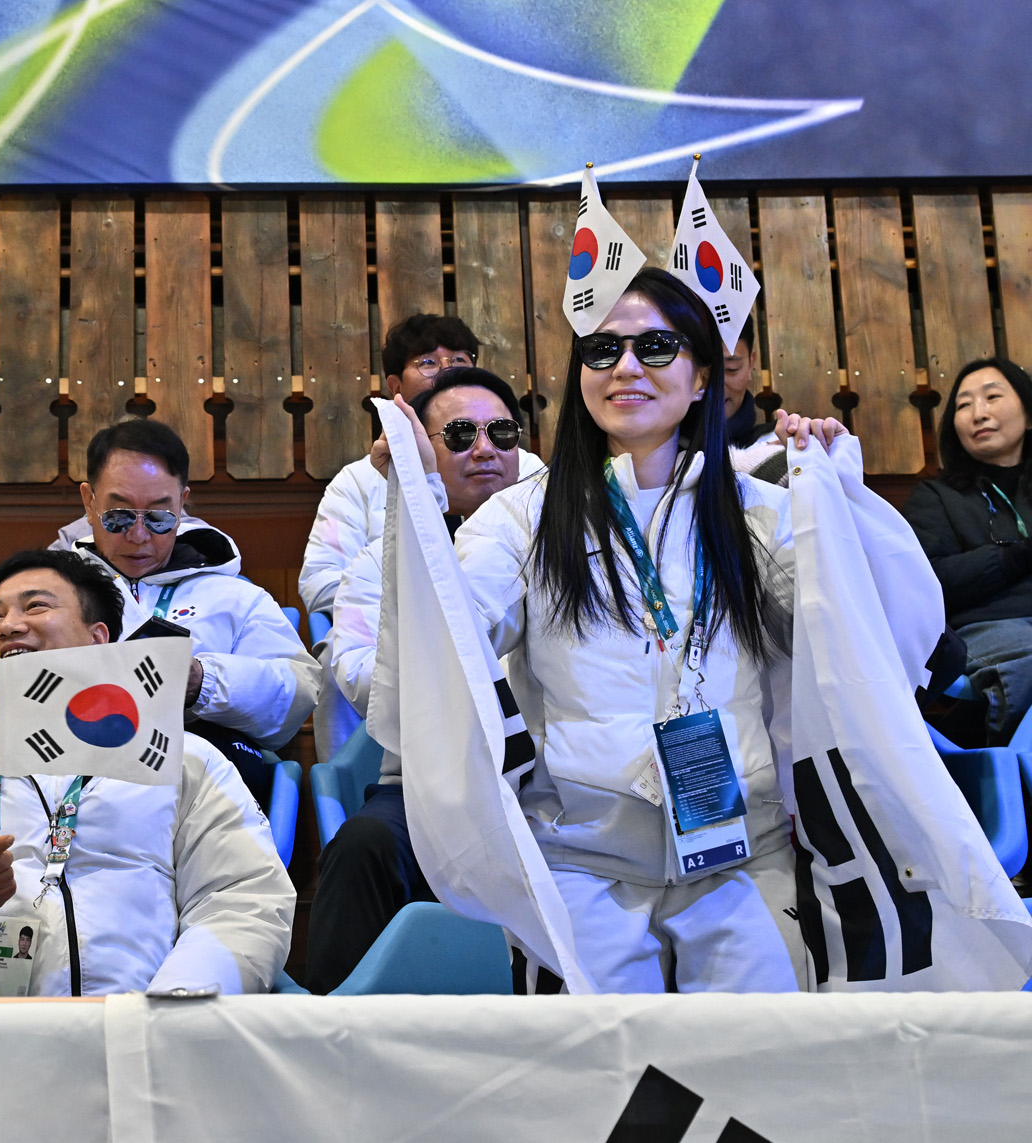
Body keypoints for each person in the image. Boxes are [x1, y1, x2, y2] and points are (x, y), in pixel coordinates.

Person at [386, 266, 933, 992]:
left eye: (656, 346)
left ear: (703, 376)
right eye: (603, 350)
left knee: (762, 1065)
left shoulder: (756, 509)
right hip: (580, 855)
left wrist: (837, 505)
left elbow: (869, 642)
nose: (626, 369)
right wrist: (417, 501)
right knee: (597, 1079)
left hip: (742, 850)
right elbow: (438, 654)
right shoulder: (521, 517)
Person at [0, 550, 294, 997]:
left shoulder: (181, 759)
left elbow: (243, 901)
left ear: (99, 638)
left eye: (37, 606)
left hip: (144, 1041)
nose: (7, 626)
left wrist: (175, 1006)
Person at [0, 419, 318, 794]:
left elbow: (294, 703)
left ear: (182, 504)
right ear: (89, 502)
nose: (138, 535)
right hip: (47, 770)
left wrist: (201, 682)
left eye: (158, 517)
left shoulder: (235, 595)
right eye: (117, 516)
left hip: (192, 770)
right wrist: (40, 685)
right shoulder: (28, 595)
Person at [305, 367, 523, 992]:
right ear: (423, 451)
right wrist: (449, 686)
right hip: (426, 781)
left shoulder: (566, 540)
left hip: (545, 779)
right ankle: (333, 1041)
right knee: (363, 843)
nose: (484, 448)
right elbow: (355, 671)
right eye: (458, 435)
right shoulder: (380, 561)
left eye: (501, 432)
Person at [298, 313, 547, 616]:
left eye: (458, 359)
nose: (446, 370)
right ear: (396, 387)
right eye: (427, 362)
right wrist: (420, 607)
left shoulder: (521, 466)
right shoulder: (357, 481)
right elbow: (320, 583)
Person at [901, 357, 1032, 746]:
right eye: (963, 405)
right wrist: (1016, 556)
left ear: (1027, 415)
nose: (979, 413)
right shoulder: (935, 496)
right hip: (984, 630)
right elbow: (929, 580)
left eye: (993, 397)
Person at [722, 324, 786, 482]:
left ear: (751, 364)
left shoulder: (779, 440)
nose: (715, 386)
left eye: (731, 368)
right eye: (702, 369)